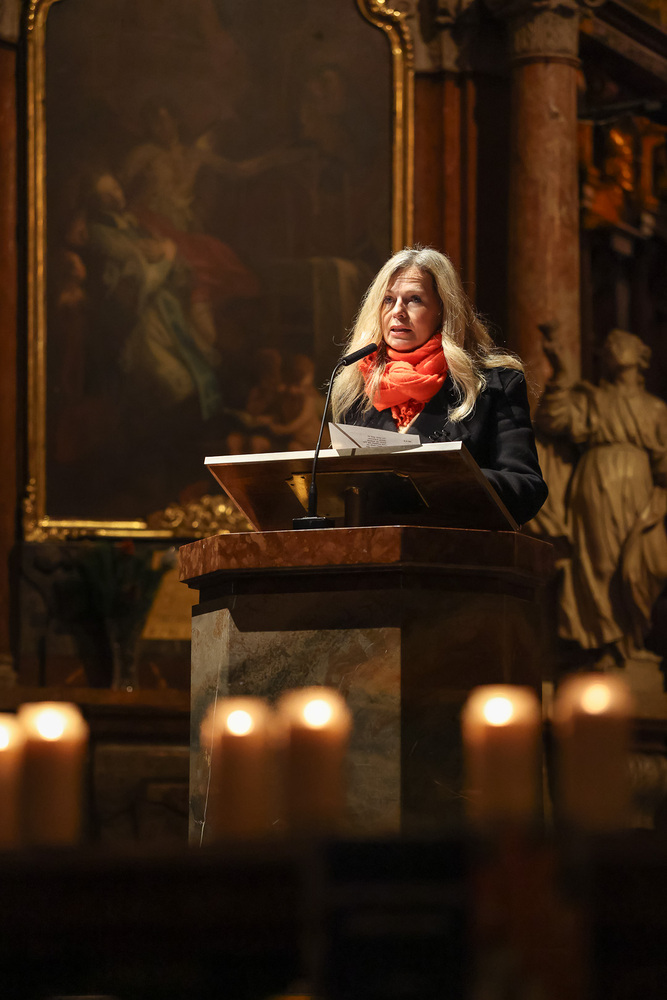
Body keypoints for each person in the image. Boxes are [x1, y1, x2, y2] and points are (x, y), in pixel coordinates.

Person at [330, 247, 548, 526]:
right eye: (388, 299)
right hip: (376, 548)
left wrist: (449, 480)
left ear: (443, 310)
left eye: (414, 300)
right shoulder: (356, 391)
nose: (397, 312)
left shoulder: (494, 386)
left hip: (458, 546)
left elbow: (526, 488)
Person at [537, 327, 667, 661]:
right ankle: (608, 647)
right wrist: (561, 371)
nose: (613, 346)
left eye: (622, 342)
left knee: (646, 565)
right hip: (596, 485)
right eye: (608, 344)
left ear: (641, 355)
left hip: (640, 488)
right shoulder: (592, 399)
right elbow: (552, 420)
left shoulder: (656, 409)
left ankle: (634, 640)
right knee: (600, 563)